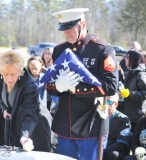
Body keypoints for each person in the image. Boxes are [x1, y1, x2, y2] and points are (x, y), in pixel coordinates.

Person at [47, 8, 118, 159]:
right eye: (63, 29)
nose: (66, 33)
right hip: (64, 123)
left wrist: (75, 88)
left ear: (83, 24)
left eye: (70, 28)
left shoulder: (102, 49)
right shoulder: (59, 50)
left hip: (90, 124)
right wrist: (57, 87)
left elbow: (111, 86)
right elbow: (49, 85)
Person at [0, 49, 51, 151]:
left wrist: (25, 136)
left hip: (35, 128)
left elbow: (30, 115)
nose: (9, 79)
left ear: (20, 71)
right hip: (15, 125)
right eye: (5, 74)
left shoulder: (29, 87)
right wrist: (4, 108)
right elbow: (2, 98)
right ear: (1, 71)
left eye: (13, 74)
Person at [119, 50, 146, 132]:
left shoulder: (140, 74)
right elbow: (124, 85)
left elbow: (144, 94)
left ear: (133, 59)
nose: (125, 59)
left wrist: (130, 94)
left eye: (127, 57)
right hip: (126, 114)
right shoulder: (128, 73)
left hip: (136, 117)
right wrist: (120, 73)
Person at [103, 94, 132, 160]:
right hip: (100, 147)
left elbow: (121, 144)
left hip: (115, 151)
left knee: (113, 154)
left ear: (116, 104)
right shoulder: (98, 117)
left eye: (108, 102)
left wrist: (104, 151)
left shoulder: (123, 119)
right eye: (104, 101)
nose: (105, 105)